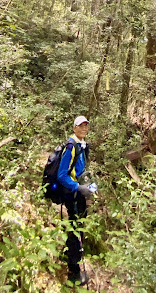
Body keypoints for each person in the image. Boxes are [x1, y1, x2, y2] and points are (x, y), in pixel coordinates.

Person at [57, 115, 93, 285]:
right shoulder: (71, 146)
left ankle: (68, 255)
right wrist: (78, 188)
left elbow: (79, 170)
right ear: (74, 128)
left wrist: (89, 187)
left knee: (77, 227)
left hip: (79, 192)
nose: (84, 129)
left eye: (86, 126)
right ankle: (74, 272)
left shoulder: (81, 145)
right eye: (81, 126)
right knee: (76, 229)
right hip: (73, 194)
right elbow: (62, 175)